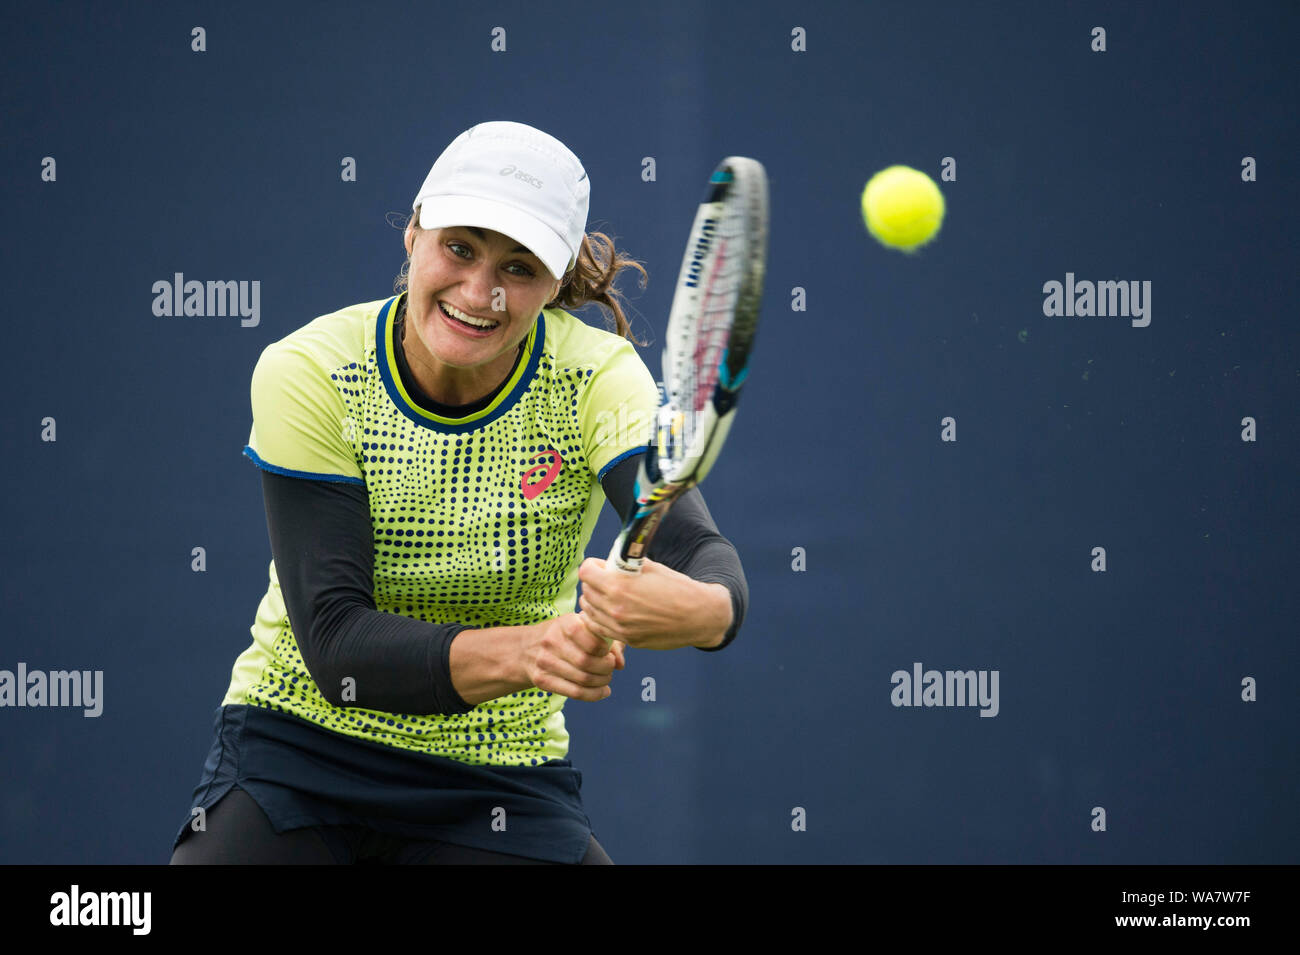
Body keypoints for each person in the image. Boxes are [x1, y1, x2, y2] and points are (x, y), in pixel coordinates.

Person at [168, 121, 748, 865]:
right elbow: (339, 646)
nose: (480, 293)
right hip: (298, 753)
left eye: (520, 267)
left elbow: (699, 548)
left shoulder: (596, 378)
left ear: (557, 278)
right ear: (413, 233)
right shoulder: (312, 370)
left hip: (497, 778)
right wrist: (535, 652)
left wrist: (705, 610)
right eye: (460, 247)